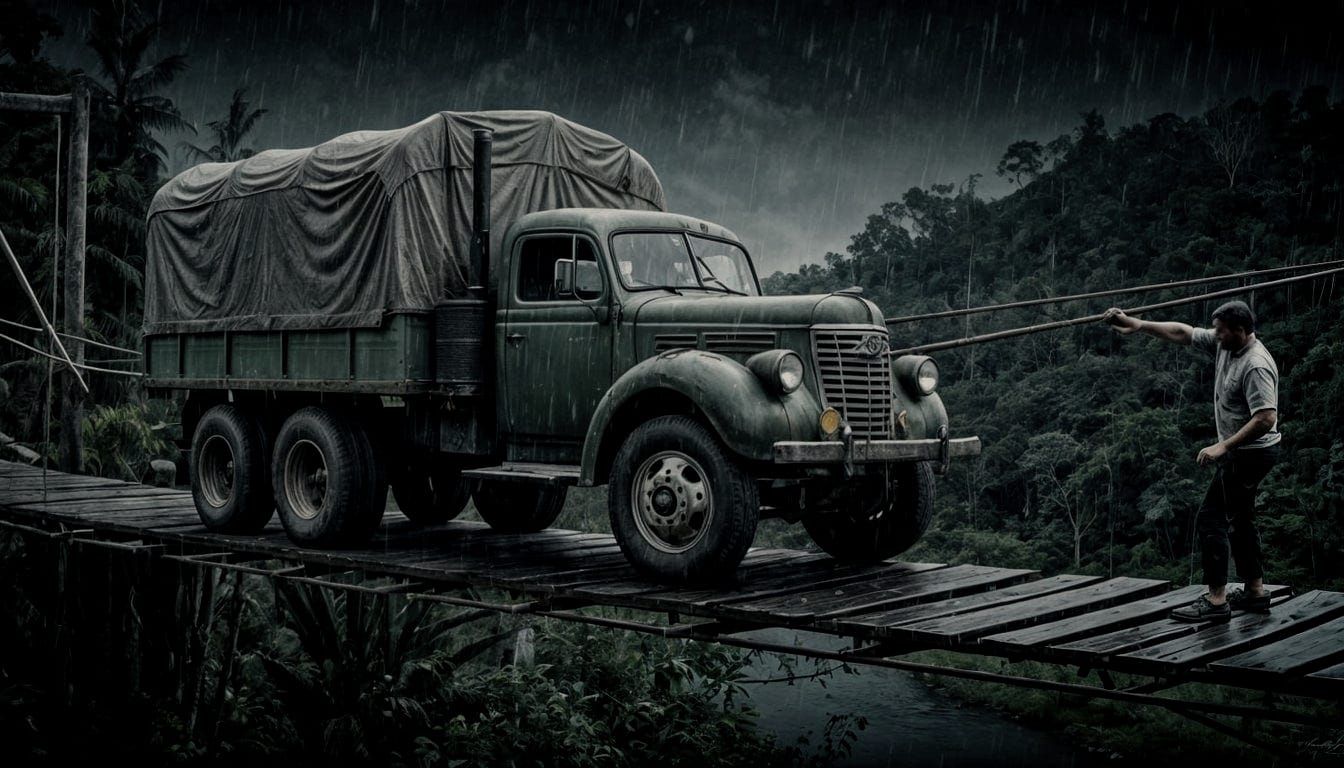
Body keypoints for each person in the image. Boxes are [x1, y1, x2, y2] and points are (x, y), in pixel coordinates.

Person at [1102, 300, 1281, 623]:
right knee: (1241, 518)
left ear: (1241, 331)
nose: (1216, 336)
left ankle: (1216, 601)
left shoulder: (1255, 365)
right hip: (1245, 454)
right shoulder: (1227, 344)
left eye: (1222, 331)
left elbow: (1267, 418)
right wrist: (1138, 324)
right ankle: (1255, 592)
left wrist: (1222, 446)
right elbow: (1183, 333)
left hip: (1251, 454)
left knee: (1212, 518)